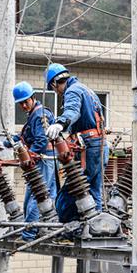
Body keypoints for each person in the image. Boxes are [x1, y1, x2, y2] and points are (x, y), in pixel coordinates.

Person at [0, 81, 57, 241]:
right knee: (42, 195)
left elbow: (41, 141)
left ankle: (30, 234)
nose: (23, 105)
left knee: (37, 195)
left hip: (44, 159)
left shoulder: (40, 114)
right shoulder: (34, 115)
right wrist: (5, 143)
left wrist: (29, 158)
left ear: (33, 98)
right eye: (20, 103)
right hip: (45, 159)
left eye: (25, 102)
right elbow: (23, 137)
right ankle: (43, 228)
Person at [44, 63, 108, 223]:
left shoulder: (72, 91)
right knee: (94, 191)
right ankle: (96, 229)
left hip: (89, 148)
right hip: (100, 145)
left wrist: (60, 123)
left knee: (69, 195)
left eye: (54, 89)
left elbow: (72, 111)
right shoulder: (86, 89)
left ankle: (72, 230)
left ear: (54, 83)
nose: (57, 93)